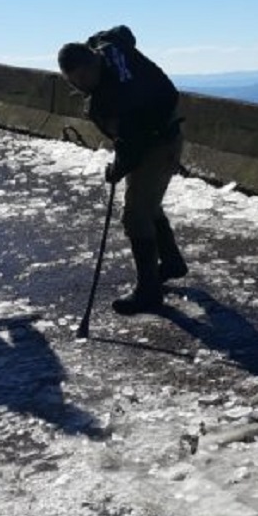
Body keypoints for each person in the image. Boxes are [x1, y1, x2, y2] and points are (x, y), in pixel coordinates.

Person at [58, 25, 187, 315]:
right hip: (158, 132)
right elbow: (122, 31)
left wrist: (118, 167)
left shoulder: (119, 94)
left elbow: (132, 142)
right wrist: (96, 41)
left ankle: (148, 292)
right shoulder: (108, 48)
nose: (79, 85)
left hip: (158, 141)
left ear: (92, 66)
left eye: (81, 78)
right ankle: (171, 262)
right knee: (148, 204)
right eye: (71, 79)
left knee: (136, 214)